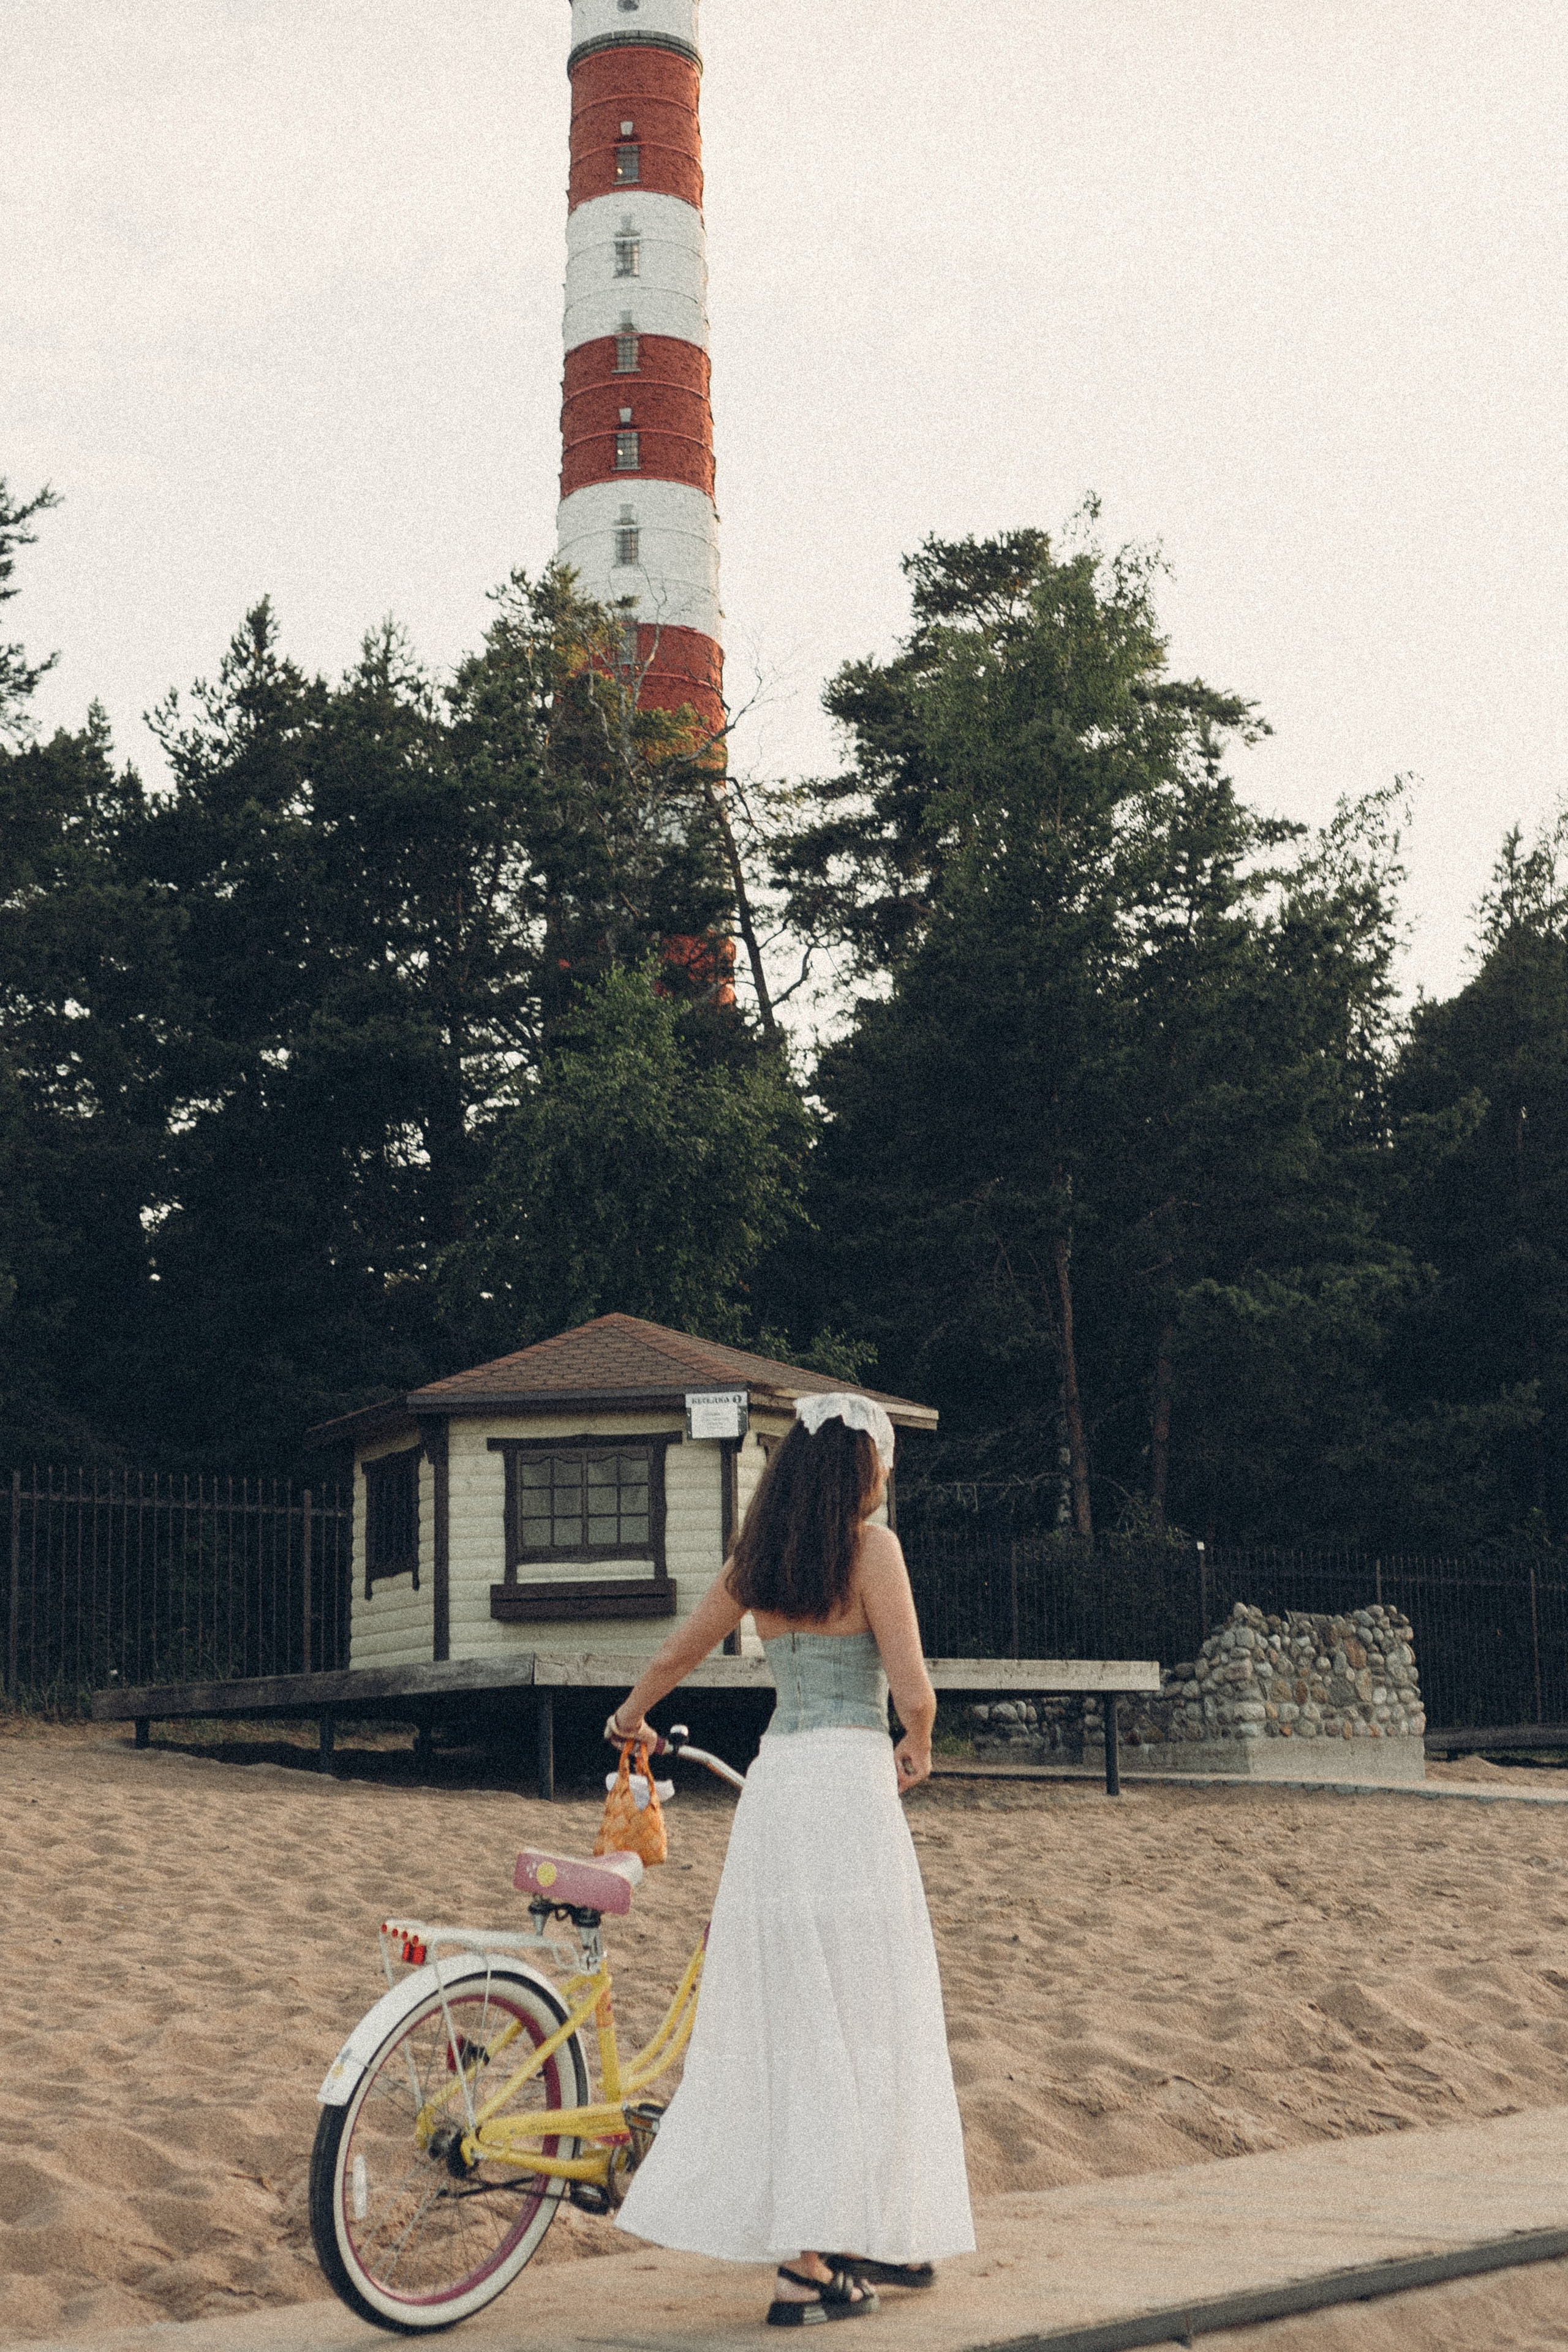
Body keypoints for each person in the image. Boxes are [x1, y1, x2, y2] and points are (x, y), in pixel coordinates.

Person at [605, 1392, 975, 2327]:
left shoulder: (758, 1564)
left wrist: (632, 1715)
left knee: (797, 2015)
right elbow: (914, 1688)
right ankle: (816, 2265)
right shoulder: (873, 1551)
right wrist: (919, 1747)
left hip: (779, 1797)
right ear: (862, 1470)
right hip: (850, 1790)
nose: (887, 1477)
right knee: (867, 2005)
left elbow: (678, 1652)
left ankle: (838, 2236)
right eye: (882, 1463)